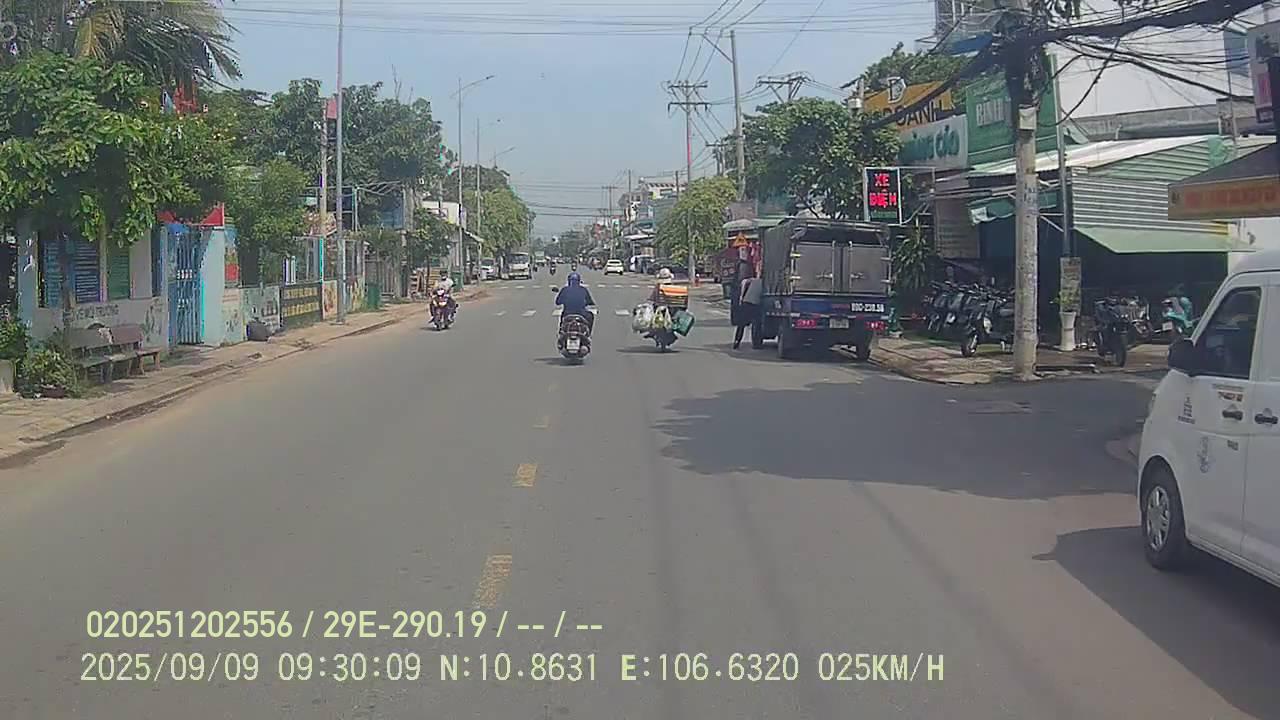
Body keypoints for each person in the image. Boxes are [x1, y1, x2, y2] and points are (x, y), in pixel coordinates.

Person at [734, 269, 763, 349]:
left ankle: (737, 341)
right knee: (757, 324)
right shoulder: (764, 284)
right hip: (755, 305)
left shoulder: (752, 281)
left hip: (746, 303)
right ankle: (757, 344)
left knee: (741, 325)